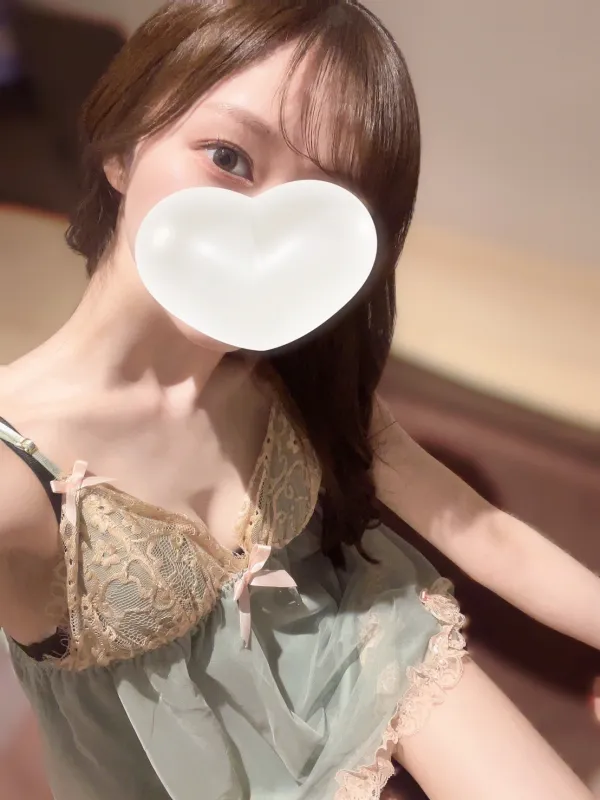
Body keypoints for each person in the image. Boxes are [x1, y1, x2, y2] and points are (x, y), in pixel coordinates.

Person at [0, 2, 597, 798]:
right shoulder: (18, 468)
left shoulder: (288, 380)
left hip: (360, 639)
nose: (270, 235)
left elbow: (484, 534)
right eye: (229, 158)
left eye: (321, 204)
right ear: (122, 149)